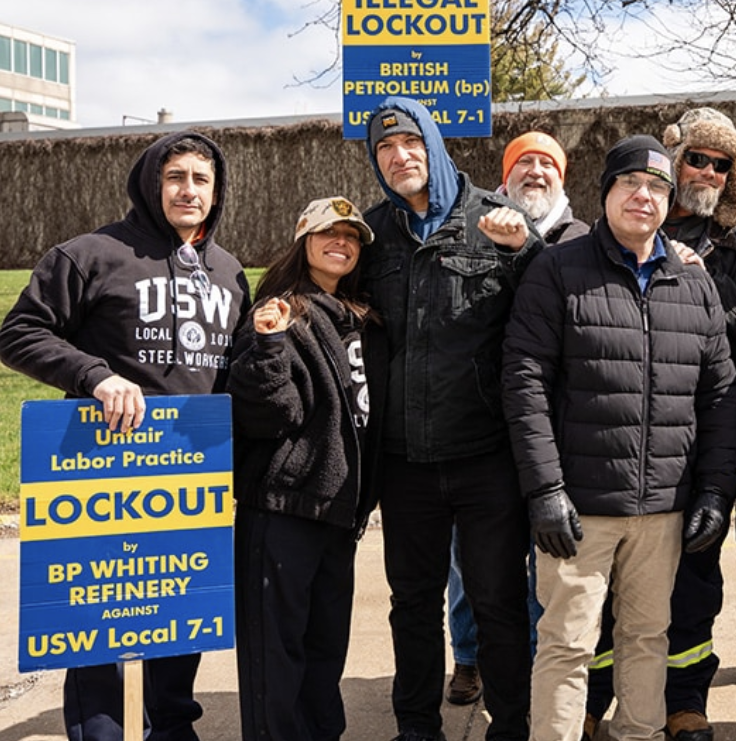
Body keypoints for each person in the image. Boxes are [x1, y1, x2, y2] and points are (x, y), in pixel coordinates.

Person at [0, 131, 250, 741]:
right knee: (99, 619)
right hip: (100, 470)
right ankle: (102, 732)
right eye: (175, 177)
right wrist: (95, 376)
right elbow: (19, 333)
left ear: (216, 194)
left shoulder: (229, 272)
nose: (188, 190)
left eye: (200, 180)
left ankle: (172, 727)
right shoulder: (89, 255)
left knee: (178, 611)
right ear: (151, 182)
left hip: (191, 473)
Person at [502, 134, 736, 741]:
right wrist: (545, 489)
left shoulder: (694, 283)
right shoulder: (558, 270)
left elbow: (718, 395)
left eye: (658, 188)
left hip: (664, 508)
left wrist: (714, 490)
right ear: (605, 192)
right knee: (566, 644)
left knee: (647, 637)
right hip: (580, 504)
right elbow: (524, 382)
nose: (644, 196)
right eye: (631, 183)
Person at [584, 109, 736, 741]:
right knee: (610, 586)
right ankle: (592, 699)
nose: (708, 172)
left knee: (695, 578)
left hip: (705, 441)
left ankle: (685, 701)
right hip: (624, 441)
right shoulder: (621, 230)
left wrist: (710, 288)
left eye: (723, 165)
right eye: (697, 158)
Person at [361, 96, 541, 741]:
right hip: (404, 461)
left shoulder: (496, 218)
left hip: (485, 456)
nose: (398, 157)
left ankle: (511, 725)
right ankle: (416, 726)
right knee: (412, 604)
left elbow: (548, 306)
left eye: (410, 144)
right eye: (385, 149)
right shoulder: (371, 233)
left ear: (434, 147)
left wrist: (524, 251)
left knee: (497, 603)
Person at [227, 197, 387, 741]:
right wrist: (270, 345)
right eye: (327, 234)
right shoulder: (281, 311)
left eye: (351, 235)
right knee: (277, 652)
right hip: (282, 510)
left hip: (337, 513)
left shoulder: (359, 318)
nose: (340, 242)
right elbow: (267, 415)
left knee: (323, 650)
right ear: (304, 242)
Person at [445, 129, 588, 706]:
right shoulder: (480, 229)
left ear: (562, 176)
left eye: (546, 163)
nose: (535, 171)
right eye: (523, 162)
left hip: (557, 424)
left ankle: (532, 664)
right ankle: (468, 657)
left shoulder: (585, 239)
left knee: (546, 558)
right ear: (505, 178)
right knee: (471, 558)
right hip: (484, 423)